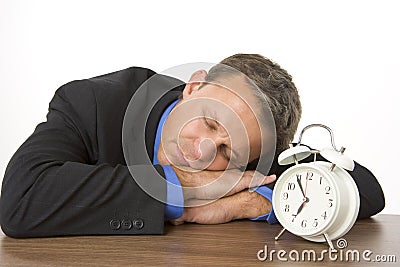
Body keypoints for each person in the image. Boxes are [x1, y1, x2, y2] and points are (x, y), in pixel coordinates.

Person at [0, 54, 384, 237]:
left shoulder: (252, 153)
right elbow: (21, 201)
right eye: (210, 121)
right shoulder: (93, 104)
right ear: (194, 87)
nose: (202, 150)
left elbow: (365, 191)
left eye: (226, 152)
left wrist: (259, 203)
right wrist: (186, 192)